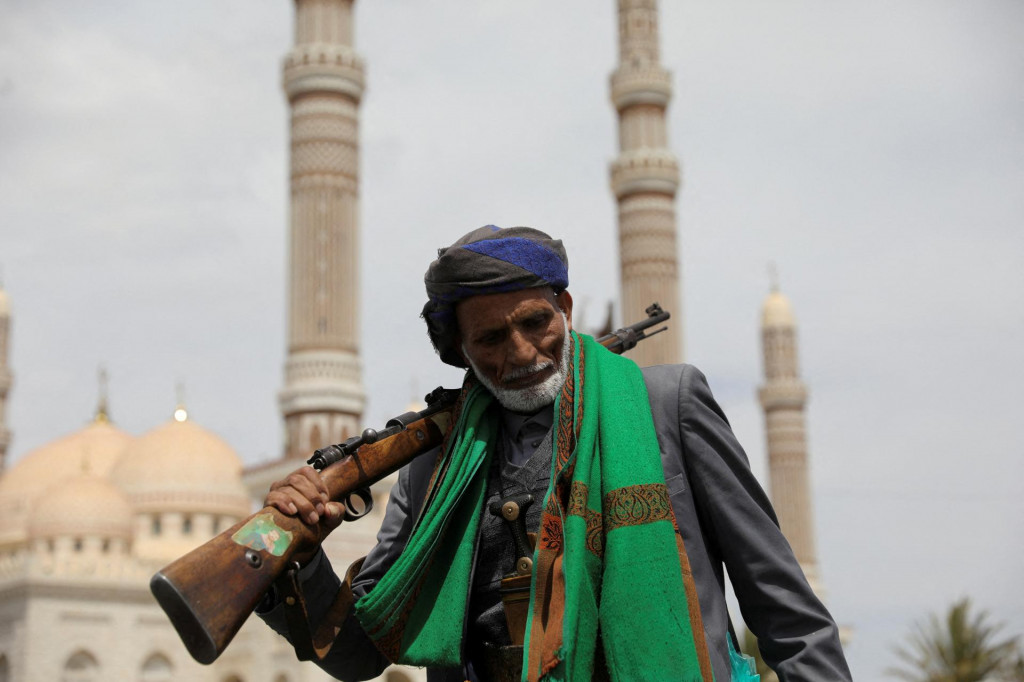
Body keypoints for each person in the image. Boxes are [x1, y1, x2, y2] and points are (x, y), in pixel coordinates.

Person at [258, 226, 852, 681]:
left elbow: (786, 614)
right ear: (461, 351)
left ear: (565, 309)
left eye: (536, 322)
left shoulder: (665, 405)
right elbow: (361, 652)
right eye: (490, 339)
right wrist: (300, 557)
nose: (521, 352)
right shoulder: (430, 464)